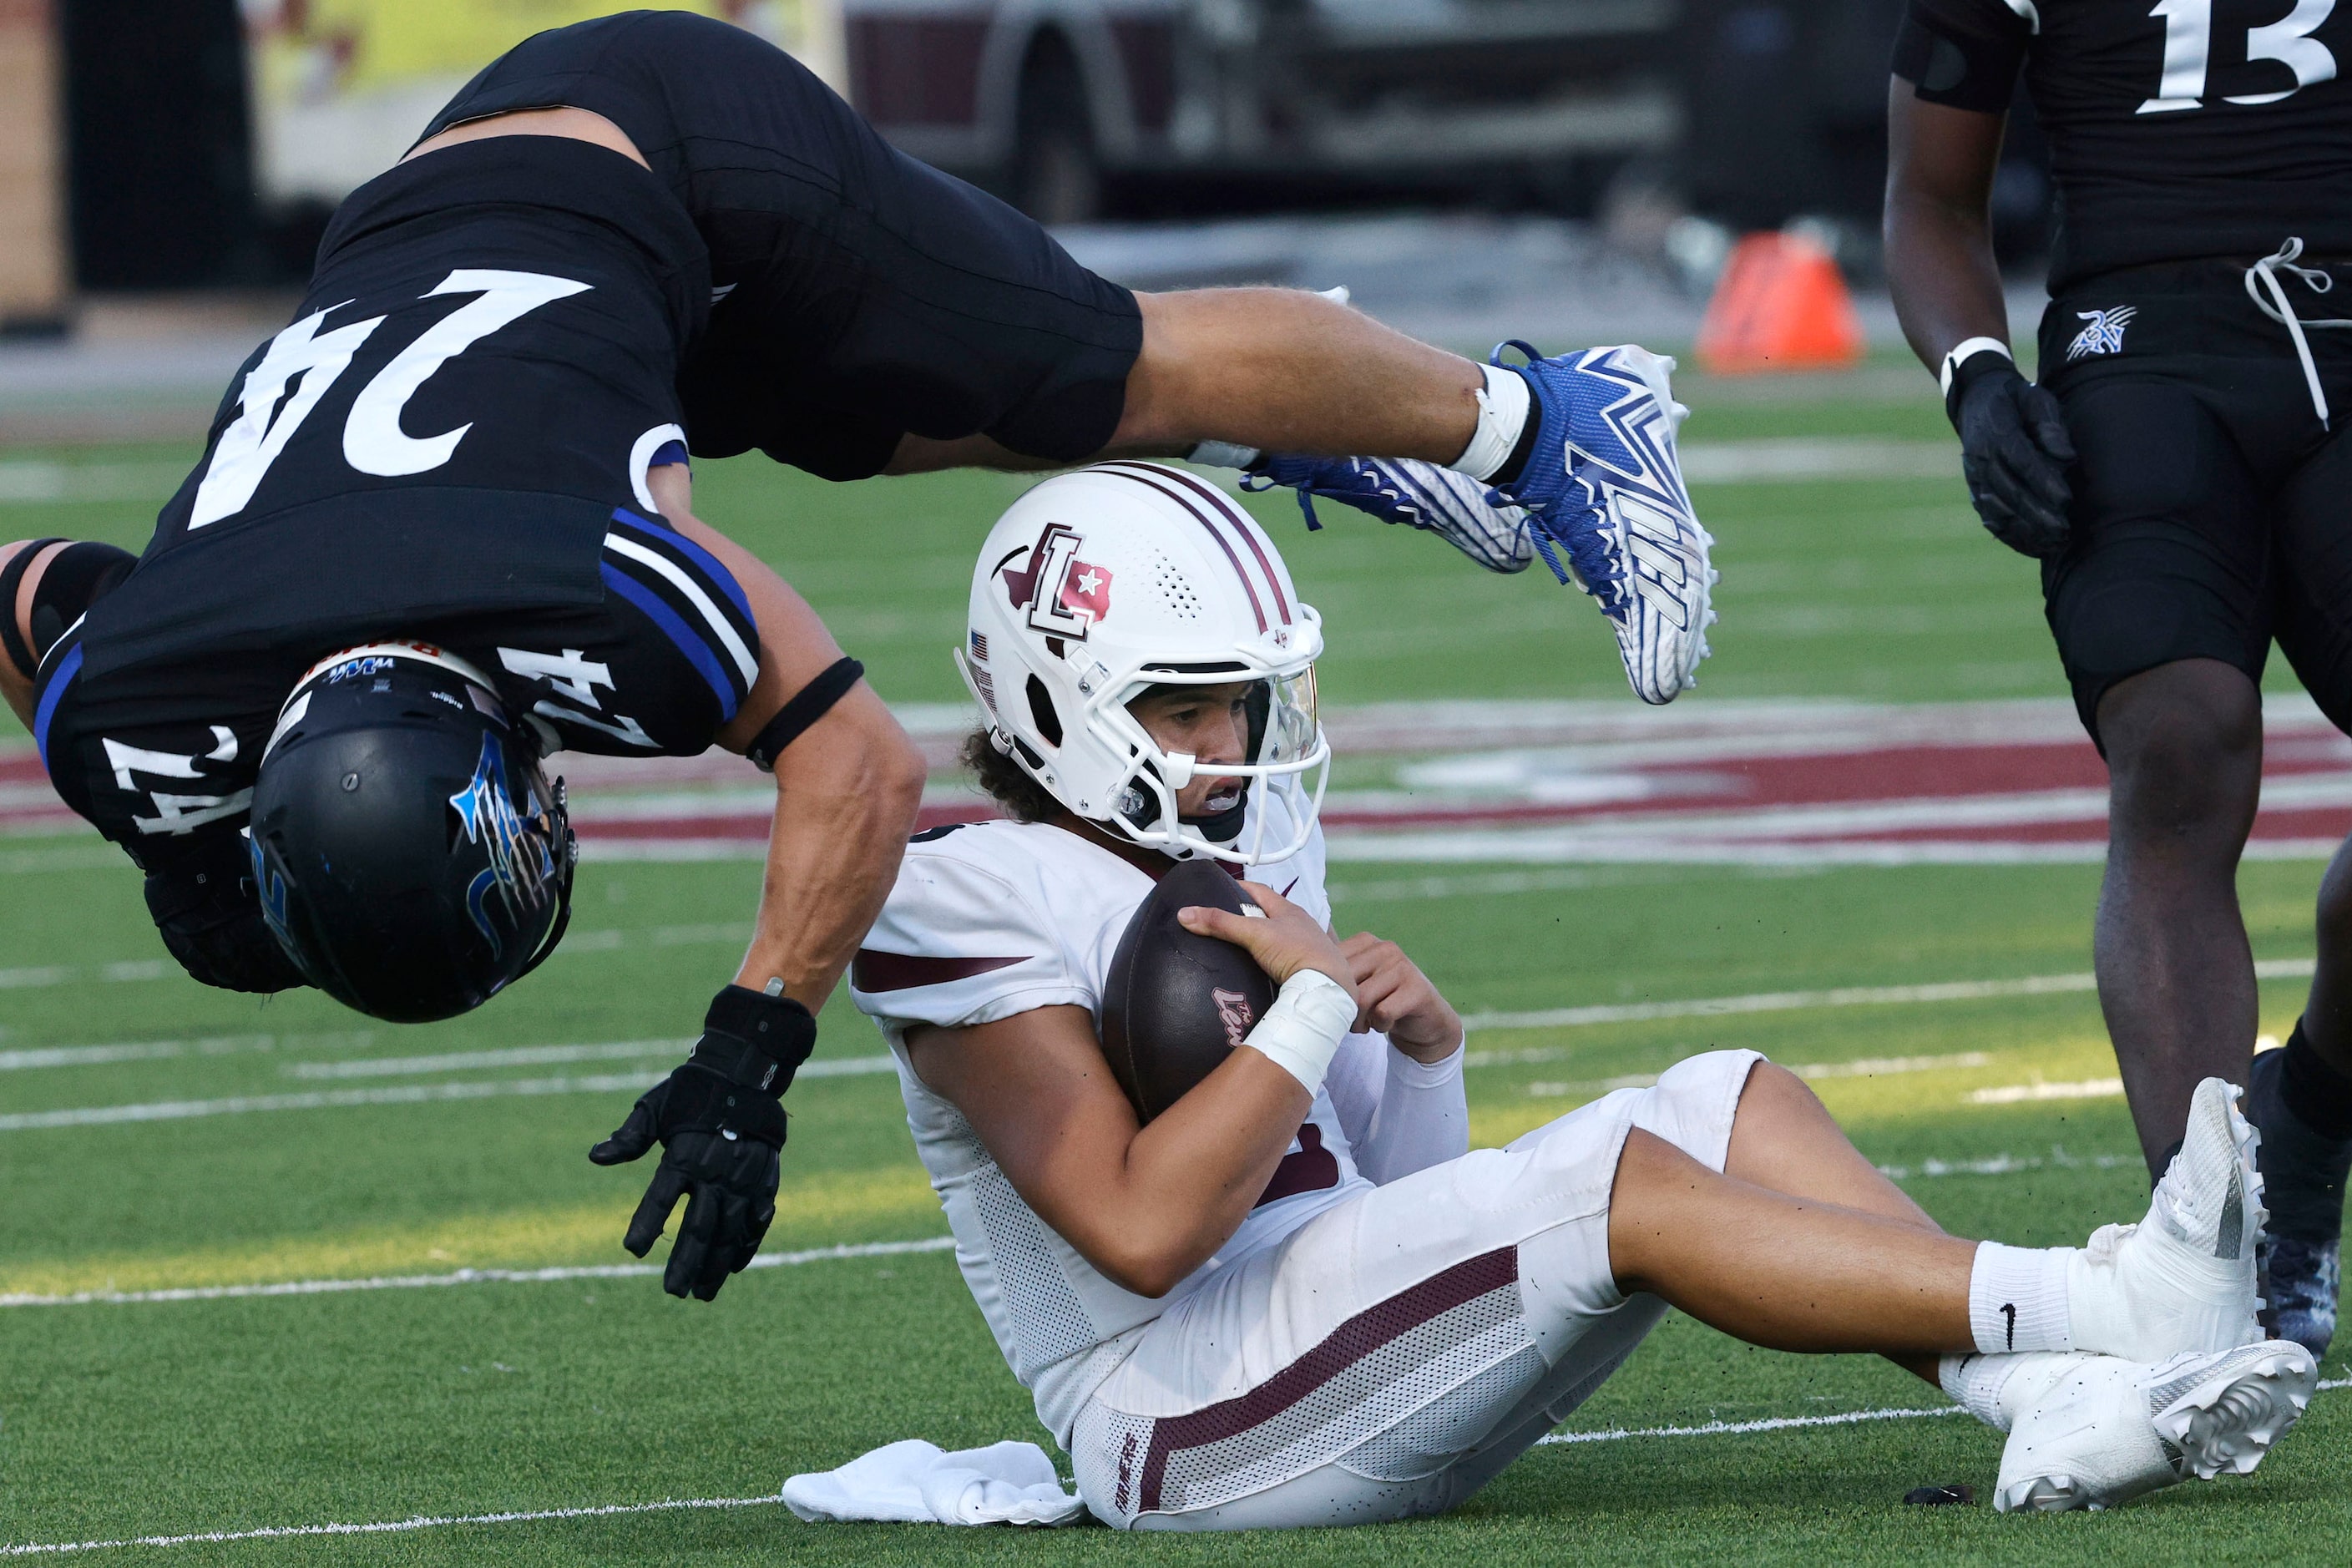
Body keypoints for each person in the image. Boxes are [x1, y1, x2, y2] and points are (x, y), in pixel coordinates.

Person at [1, 7, 1709, 1304]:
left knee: (1103, 377)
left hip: (672, 136)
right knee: (896, 423)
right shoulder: (131, 690)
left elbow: (854, 753)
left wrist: (749, 1054)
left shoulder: (583, 594)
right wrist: (169, 819)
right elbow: (29, 596)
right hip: (483, 211)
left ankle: (1544, 422)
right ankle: (1313, 423)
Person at [846, 463, 2313, 1525]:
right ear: (1050, 698)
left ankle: (2040, 1396)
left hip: (1318, 1348)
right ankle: (2112, 1301)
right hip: (1173, 1419)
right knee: (1607, 1178)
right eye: (1183, 706)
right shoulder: (968, 890)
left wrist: (1417, 1051)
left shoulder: (1240, 850)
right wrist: (1301, 1018)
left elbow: (1389, 1202)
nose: (1230, 742)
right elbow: (1146, 1229)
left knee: (1720, 1095)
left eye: (1240, 700)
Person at [1884, 0, 2352, 1356]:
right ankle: (2200, 1249)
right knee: (2180, 741)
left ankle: (2308, 1114)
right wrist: (1974, 377)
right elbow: (1928, 195)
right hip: (2137, 356)